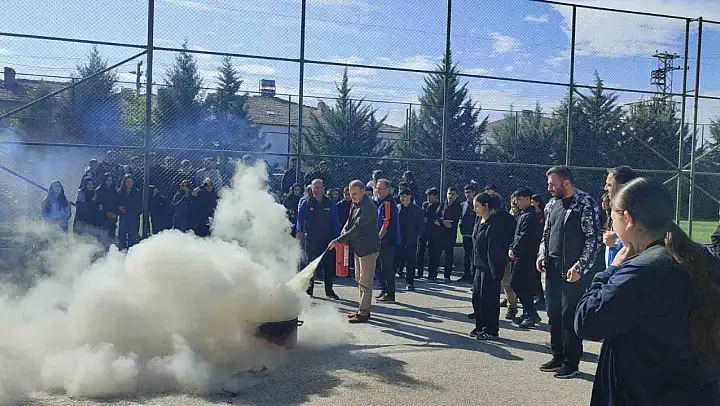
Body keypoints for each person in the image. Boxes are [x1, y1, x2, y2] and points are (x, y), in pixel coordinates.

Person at [575, 178, 720, 405]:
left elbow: (586, 321)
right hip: (698, 388)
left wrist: (611, 270)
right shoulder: (699, 255)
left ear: (628, 219)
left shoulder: (642, 270)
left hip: (649, 391)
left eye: (613, 217)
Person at [537, 165, 602, 379]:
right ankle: (557, 355)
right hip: (553, 267)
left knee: (568, 315)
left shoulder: (585, 203)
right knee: (553, 313)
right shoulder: (551, 204)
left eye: (552, 184)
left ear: (566, 183)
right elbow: (546, 233)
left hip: (573, 270)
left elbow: (593, 239)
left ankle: (571, 362)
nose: (549, 188)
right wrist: (541, 255)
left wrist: (580, 267)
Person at [328, 180, 380, 324]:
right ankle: (361, 308)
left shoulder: (368, 206)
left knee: (365, 281)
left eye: (355, 193)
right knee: (359, 279)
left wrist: (339, 240)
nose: (352, 196)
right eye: (351, 194)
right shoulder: (355, 204)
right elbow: (349, 222)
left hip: (368, 248)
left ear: (363, 191)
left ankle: (364, 312)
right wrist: (342, 233)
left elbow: (357, 227)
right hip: (358, 248)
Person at [470, 192, 510, 340]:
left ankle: (491, 330)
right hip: (479, 267)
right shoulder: (480, 221)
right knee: (477, 298)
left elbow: (495, 250)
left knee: (489, 300)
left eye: (477, 206)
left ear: (486, 206)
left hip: (490, 269)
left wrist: (495, 272)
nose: (474, 209)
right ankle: (480, 326)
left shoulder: (495, 224)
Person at [296, 179, 341, 300]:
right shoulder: (306, 203)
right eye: (314, 188)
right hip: (311, 240)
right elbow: (300, 219)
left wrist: (337, 237)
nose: (316, 190)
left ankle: (329, 291)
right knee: (311, 266)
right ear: (311, 189)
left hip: (328, 240)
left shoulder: (330, 203)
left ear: (323, 189)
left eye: (319, 187)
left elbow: (335, 220)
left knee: (328, 266)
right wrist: (299, 231)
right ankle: (309, 291)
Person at [508, 187, 543, 328]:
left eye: (519, 199)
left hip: (526, 256)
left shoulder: (530, 217)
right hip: (521, 254)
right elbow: (517, 235)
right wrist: (512, 246)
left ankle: (532, 313)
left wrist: (514, 249)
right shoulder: (523, 215)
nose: (517, 202)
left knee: (516, 283)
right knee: (523, 285)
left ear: (528, 199)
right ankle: (527, 313)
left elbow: (525, 237)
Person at [603, 166, 637, 267]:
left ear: (623, 187)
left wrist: (616, 242)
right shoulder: (614, 208)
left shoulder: (634, 212)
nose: (605, 188)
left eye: (609, 185)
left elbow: (638, 243)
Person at [374, 179, 401, 303]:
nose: (377, 190)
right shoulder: (382, 202)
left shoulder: (388, 203)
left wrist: (378, 238)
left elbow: (386, 223)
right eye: (377, 187)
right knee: (379, 267)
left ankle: (390, 294)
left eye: (380, 188)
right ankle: (384, 289)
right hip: (382, 240)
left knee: (387, 268)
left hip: (387, 241)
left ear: (388, 190)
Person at [430, 187, 462, 283]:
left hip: (450, 235)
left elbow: (454, 219)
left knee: (448, 256)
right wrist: (442, 221)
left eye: (452, 194)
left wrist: (446, 222)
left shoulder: (458, 206)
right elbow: (436, 216)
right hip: (440, 234)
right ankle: (433, 275)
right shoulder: (442, 204)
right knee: (436, 255)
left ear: (456, 195)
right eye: (449, 194)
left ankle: (447, 276)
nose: (450, 196)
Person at [395, 189, 423, 291]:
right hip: (398, 240)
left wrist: (415, 236)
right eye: (401, 197)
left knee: (410, 263)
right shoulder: (397, 208)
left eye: (405, 196)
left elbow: (420, 226)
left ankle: (410, 282)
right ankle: (390, 282)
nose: (403, 199)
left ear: (410, 197)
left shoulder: (417, 210)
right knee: (395, 260)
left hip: (410, 240)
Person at [417, 187, 441, 279]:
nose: (428, 198)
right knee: (420, 252)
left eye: (430, 196)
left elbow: (438, 218)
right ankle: (419, 272)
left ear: (435, 196)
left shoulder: (439, 205)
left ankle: (432, 274)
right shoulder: (425, 204)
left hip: (434, 232)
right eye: (427, 196)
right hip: (423, 231)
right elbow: (422, 215)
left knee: (433, 253)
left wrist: (430, 219)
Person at [117, 175, 142, 250]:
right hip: (123, 216)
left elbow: (139, 205)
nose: (129, 183)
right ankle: (122, 250)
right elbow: (116, 203)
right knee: (122, 234)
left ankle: (132, 251)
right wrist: (119, 207)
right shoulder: (120, 192)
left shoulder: (136, 192)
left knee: (133, 235)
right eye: (127, 182)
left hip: (134, 216)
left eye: (131, 182)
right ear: (124, 182)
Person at [95, 173, 119, 249]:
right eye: (107, 180)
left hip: (112, 219)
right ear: (104, 181)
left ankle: (110, 254)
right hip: (101, 220)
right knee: (101, 240)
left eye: (111, 180)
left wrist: (115, 214)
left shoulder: (114, 192)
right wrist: (105, 212)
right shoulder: (98, 191)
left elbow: (117, 204)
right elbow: (96, 205)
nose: (109, 182)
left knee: (111, 239)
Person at [459, 184, 477, 283]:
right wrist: (462, 228)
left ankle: (473, 276)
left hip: (474, 235)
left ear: (474, 193)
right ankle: (466, 274)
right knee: (466, 255)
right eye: (466, 192)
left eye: (469, 192)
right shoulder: (463, 205)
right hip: (465, 234)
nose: (467, 194)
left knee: (474, 256)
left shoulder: (477, 204)